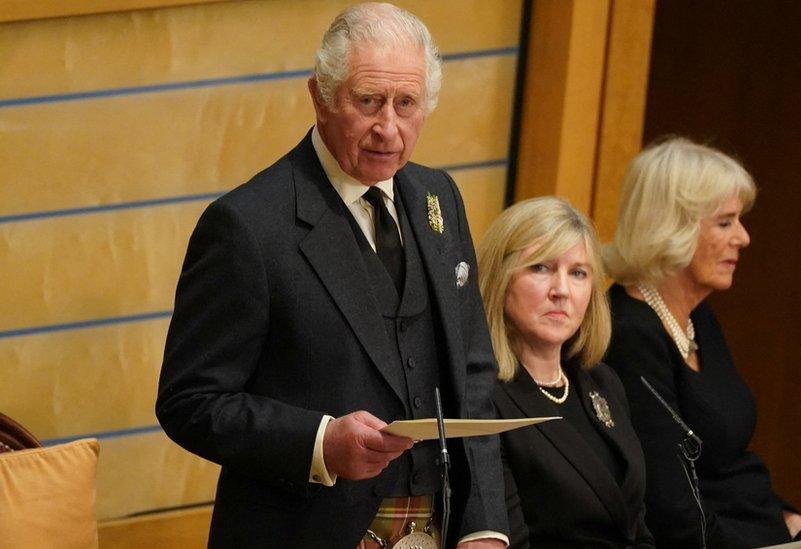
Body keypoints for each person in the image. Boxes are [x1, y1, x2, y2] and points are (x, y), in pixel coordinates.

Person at [155, 4, 507, 548]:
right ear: (320, 97)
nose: (388, 128)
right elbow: (191, 401)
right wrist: (319, 443)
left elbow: (473, 373)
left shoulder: (440, 199)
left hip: (442, 526)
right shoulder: (248, 225)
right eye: (368, 101)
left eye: (406, 104)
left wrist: (484, 524)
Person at [603, 137, 801, 548]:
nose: (744, 238)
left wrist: (795, 524)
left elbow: (725, 464)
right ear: (673, 226)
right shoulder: (629, 335)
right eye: (725, 222)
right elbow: (671, 508)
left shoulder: (698, 317)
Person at [477, 197, 656, 548]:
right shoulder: (482, 396)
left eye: (578, 273)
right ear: (500, 279)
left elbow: (636, 527)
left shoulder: (602, 382)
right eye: (540, 268)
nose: (561, 291)